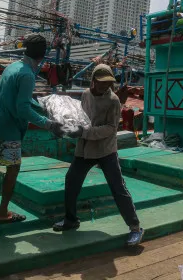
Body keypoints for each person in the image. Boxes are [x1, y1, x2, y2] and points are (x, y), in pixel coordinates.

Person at [0, 35, 64, 224]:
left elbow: (15, 98)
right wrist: (48, 123)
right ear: (43, 55)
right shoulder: (28, 75)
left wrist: (39, 105)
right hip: (8, 128)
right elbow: (21, 109)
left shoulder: (12, 67)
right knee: (13, 168)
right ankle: (2, 212)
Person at [53, 64, 144, 246]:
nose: (105, 87)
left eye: (109, 83)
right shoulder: (86, 94)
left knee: (118, 187)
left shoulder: (113, 100)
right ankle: (71, 219)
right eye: (102, 83)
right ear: (93, 81)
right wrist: (67, 125)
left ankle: (135, 227)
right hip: (84, 149)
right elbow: (82, 117)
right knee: (71, 181)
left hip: (105, 150)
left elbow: (111, 129)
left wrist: (84, 133)